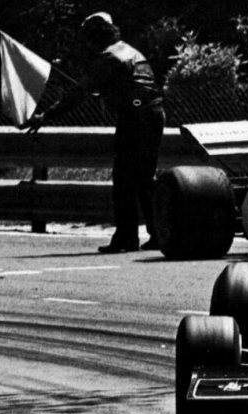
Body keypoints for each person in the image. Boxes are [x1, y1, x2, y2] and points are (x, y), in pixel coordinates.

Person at [21, 12, 165, 253]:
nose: (87, 43)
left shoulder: (107, 57)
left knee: (123, 180)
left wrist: (46, 116)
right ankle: (159, 234)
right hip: (155, 113)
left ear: (95, 36)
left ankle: (127, 238)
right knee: (145, 179)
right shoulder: (130, 51)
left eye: (88, 38)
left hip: (134, 118)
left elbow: (78, 93)